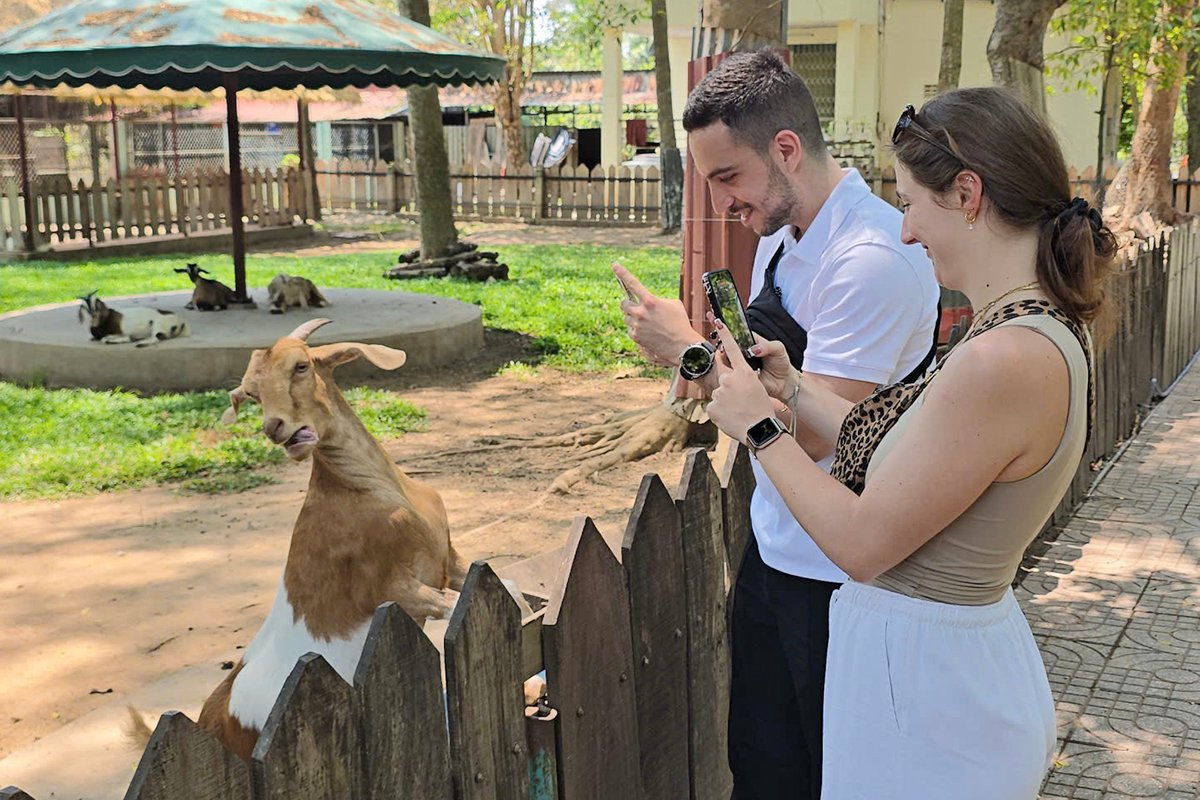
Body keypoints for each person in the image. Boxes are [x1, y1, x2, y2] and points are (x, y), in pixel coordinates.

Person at [705, 86, 1115, 799]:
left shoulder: (1003, 358)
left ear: (968, 193)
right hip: (934, 686)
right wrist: (793, 393)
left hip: (931, 703)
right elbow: (907, 446)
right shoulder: (1022, 328)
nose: (905, 231)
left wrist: (759, 428)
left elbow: (863, 543)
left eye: (911, 203)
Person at [614, 50, 939, 799]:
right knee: (760, 770)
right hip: (776, 548)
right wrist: (701, 367)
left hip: (845, 580)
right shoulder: (779, 237)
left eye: (729, 177)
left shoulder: (872, 259)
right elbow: (765, 379)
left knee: (831, 777)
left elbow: (820, 434)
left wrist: (690, 346)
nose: (722, 201)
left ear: (786, 149)